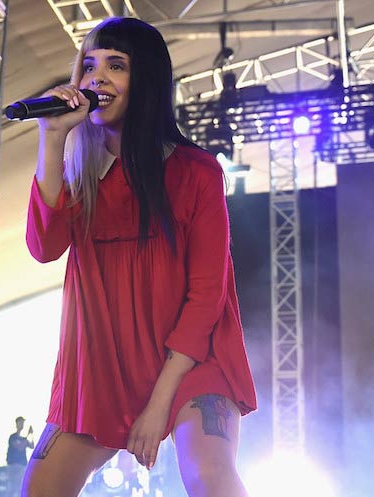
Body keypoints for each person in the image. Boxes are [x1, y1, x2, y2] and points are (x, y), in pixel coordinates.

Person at [22, 16, 257, 497]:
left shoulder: (197, 172)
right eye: (88, 66)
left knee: (209, 476)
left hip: (190, 364)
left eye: (116, 66)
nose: (96, 79)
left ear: (145, 80)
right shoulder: (81, 174)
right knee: (39, 488)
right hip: (103, 369)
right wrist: (51, 138)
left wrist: (158, 405)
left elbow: (207, 294)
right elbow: (43, 248)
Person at [6, 416, 34, 497]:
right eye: (20, 422)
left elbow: (32, 446)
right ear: (16, 424)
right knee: (12, 486)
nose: (22, 424)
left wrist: (32, 434)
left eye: (23, 423)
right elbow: (19, 447)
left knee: (20, 487)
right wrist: (28, 435)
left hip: (22, 465)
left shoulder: (23, 438)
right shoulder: (12, 437)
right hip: (13, 465)